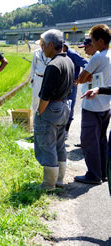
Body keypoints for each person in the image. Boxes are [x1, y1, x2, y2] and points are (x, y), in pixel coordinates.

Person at [34, 29, 74, 190]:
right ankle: (59, 180)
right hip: (64, 107)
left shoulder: (53, 65)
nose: (42, 48)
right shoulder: (68, 61)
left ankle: (48, 184)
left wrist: (39, 112)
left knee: (47, 146)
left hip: (51, 108)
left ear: (51, 45)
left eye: (43, 45)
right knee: (59, 145)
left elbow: (46, 96)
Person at [74, 24, 111, 185]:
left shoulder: (98, 57)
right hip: (106, 105)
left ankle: (93, 175)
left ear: (100, 41)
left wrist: (87, 76)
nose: (92, 44)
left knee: (89, 140)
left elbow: (81, 78)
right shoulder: (110, 55)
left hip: (92, 104)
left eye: (93, 41)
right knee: (102, 140)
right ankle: (103, 173)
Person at [62, 42, 88, 137]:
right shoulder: (62, 54)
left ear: (64, 46)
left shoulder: (72, 54)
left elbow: (86, 64)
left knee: (70, 106)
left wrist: (80, 78)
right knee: (62, 106)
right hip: (63, 84)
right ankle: (61, 131)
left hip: (71, 84)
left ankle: (66, 131)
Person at [30, 38, 51, 112]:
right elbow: (33, 66)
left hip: (48, 79)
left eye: (44, 44)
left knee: (46, 98)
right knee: (36, 98)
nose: (43, 46)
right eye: (41, 44)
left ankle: (44, 114)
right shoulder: (36, 52)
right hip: (38, 78)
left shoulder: (51, 53)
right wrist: (32, 78)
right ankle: (35, 115)